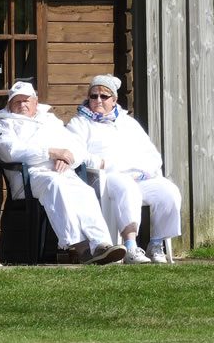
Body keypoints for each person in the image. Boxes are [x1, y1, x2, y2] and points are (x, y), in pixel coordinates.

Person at [0, 80, 126, 265]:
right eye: (17, 101)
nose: (22, 105)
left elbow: (74, 146)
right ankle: (81, 248)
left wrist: (67, 158)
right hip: (31, 176)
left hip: (62, 171)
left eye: (26, 100)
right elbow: (11, 151)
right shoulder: (4, 125)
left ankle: (101, 244)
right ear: (9, 104)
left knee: (84, 191)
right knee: (57, 186)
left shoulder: (49, 120)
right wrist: (52, 153)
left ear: (35, 103)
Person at [66, 74, 181, 264]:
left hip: (138, 175)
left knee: (169, 192)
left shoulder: (128, 123)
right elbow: (77, 152)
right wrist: (103, 164)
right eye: (93, 96)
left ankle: (156, 244)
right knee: (127, 187)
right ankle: (131, 247)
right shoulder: (80, 123)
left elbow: (151, 153)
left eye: (104, 96)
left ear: (114, 100)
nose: (98, 100)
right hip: (104, 177)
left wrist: (147, 170)